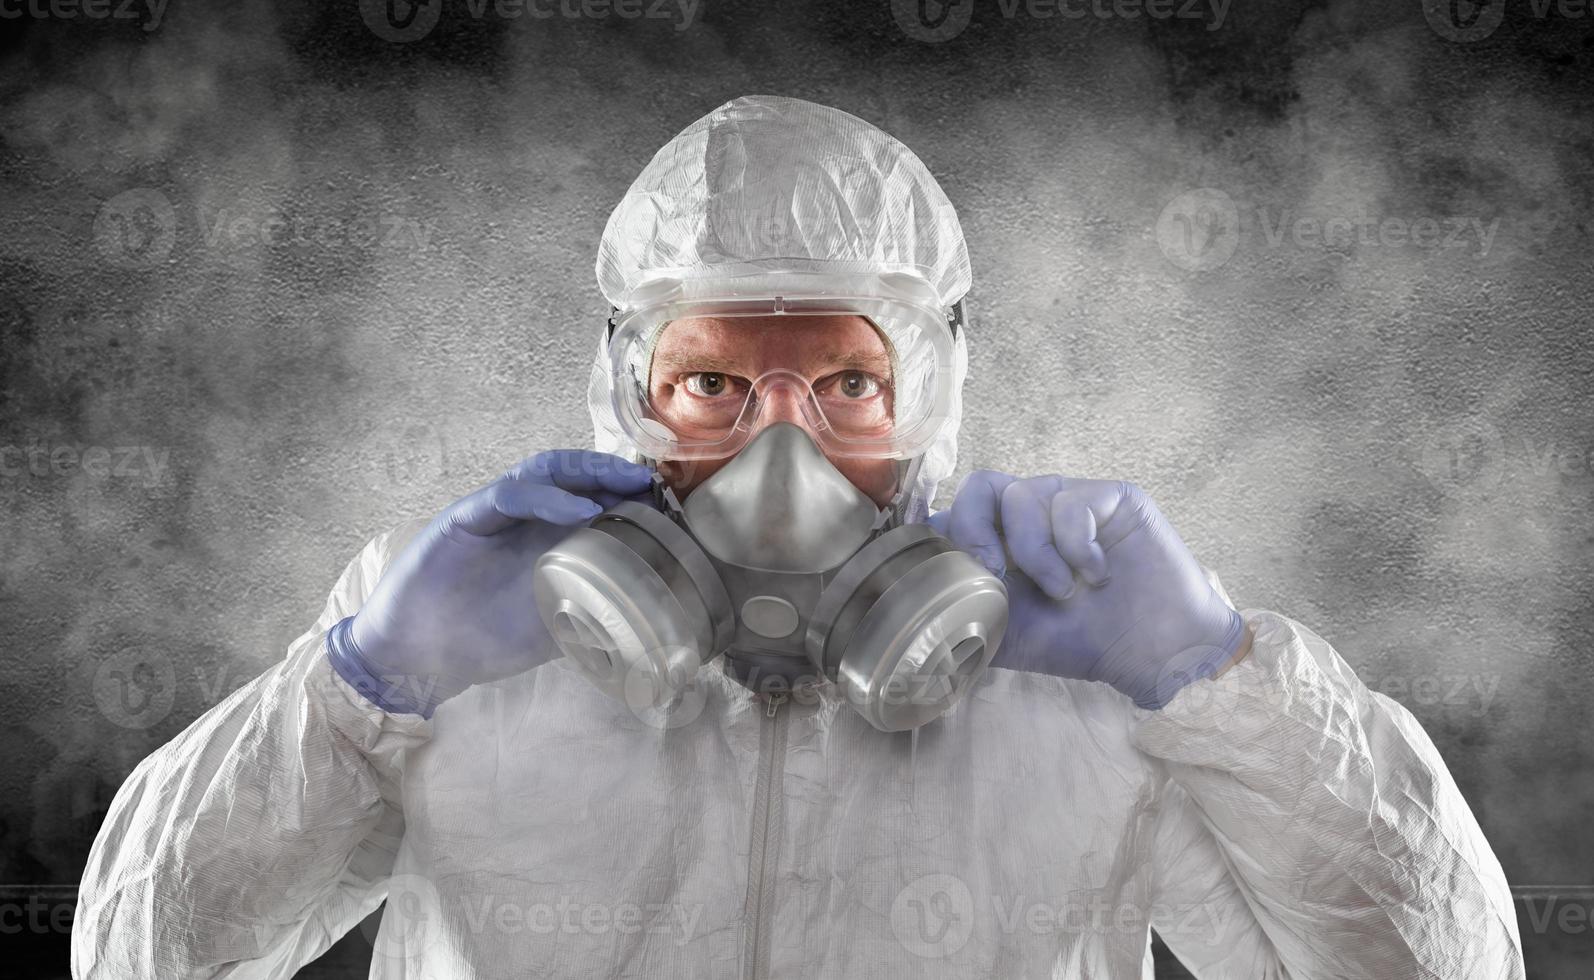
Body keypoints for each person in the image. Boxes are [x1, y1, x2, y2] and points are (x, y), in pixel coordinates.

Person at [72, 96, 1525, 978]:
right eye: (713, 382)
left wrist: (1221, 681)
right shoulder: (451, 633)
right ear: (629, 391)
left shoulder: (1082, 677)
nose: (783, 450)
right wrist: (358, 692)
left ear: (927, 395)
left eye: (846, 383)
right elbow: (139, 956)